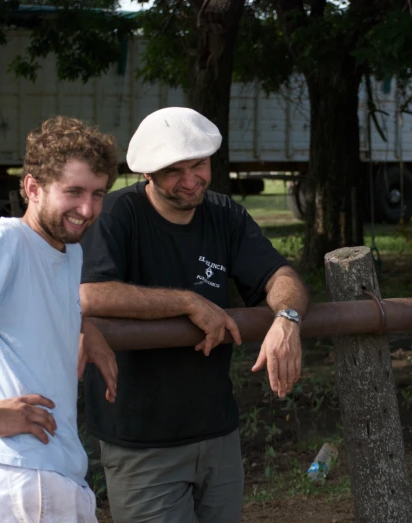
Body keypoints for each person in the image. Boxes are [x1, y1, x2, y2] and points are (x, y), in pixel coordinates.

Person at [79, 106, 309, 523]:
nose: (190, 181)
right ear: (147, 173)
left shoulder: (225, 214)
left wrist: (287, 318)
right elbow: (89, 295)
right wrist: (188, 302)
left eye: (199, 165)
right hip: (141, 439)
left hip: (218, 432)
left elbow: (280, 274)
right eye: (174, 171)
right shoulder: (116, 215)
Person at [0, 116, 120, 522]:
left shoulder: (69, 251)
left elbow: (33, 305)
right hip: (20, 479)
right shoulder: (6, 242)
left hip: (53, 476)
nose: (87, 209)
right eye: (74, 191)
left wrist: (85, 326)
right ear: (33, 187)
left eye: (98, 193)